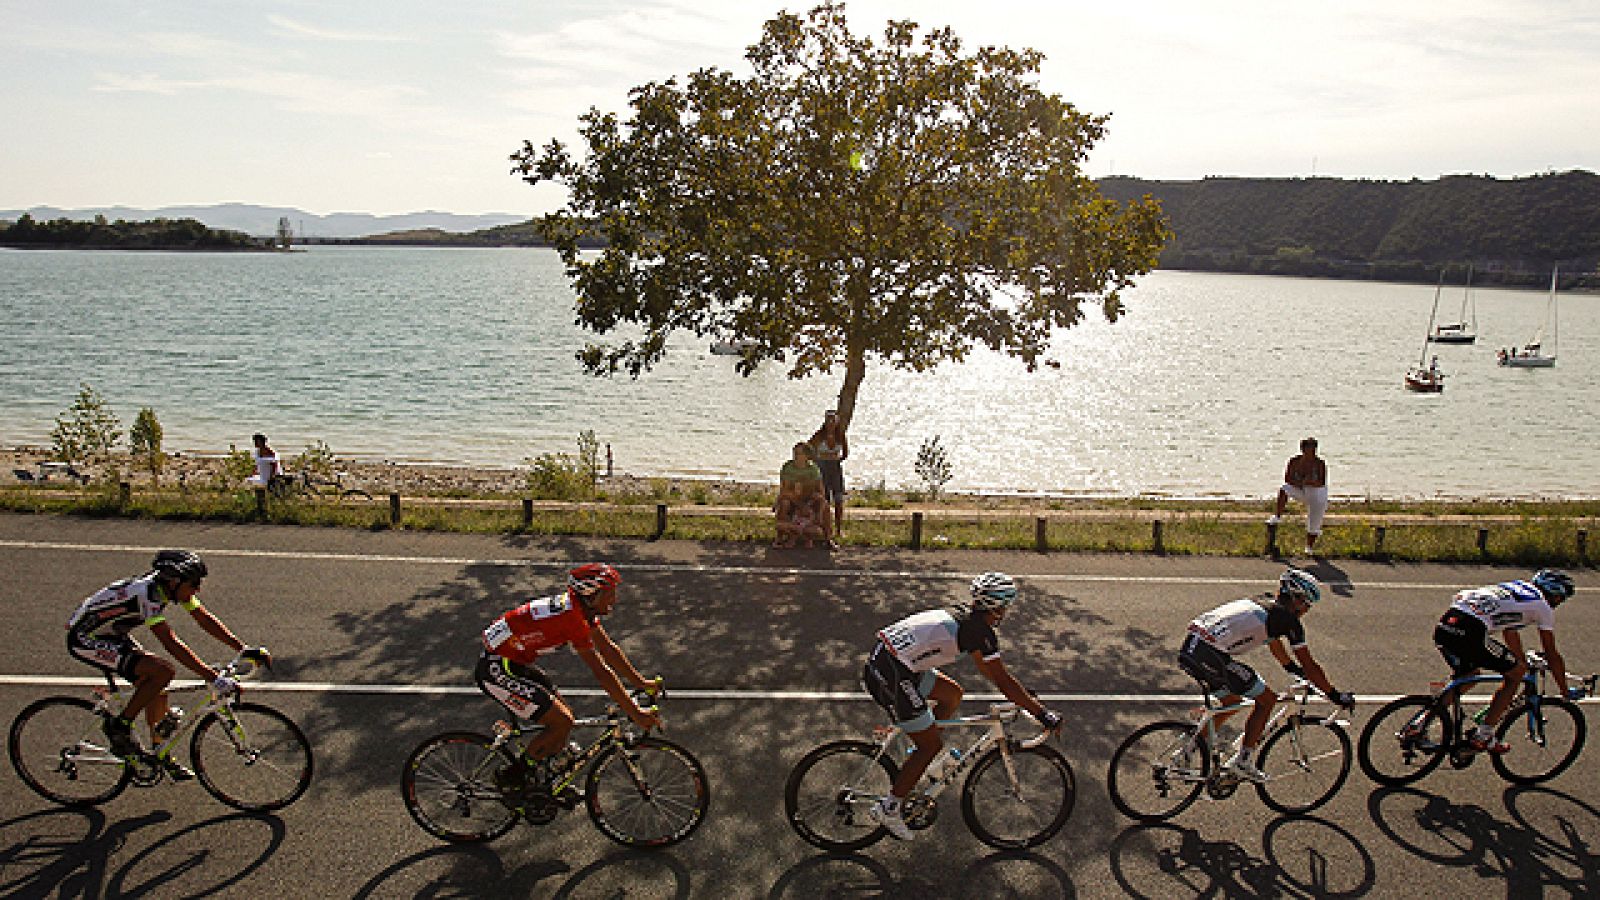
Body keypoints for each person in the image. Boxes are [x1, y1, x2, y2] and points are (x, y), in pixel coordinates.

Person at [861, 572, 1063, 840]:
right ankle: (889, 807)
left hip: (893, 662)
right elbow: (1002, 680)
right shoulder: (980, 632)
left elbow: (989, 671)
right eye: (1005, 606)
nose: (1006, 611)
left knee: (952, 695)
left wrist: (1022, 696)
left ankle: (917, 757)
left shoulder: (965, 615)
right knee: (930, 745)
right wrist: (1041, 712)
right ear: (996, 607)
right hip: (892, 675)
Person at [66, 549, 269, 776]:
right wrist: (212, 677)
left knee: (156, 688)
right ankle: (119, 726)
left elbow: (203, 618)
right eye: (193, 584)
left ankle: (157, 753)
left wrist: (242, 648)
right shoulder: (146, 594)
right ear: (173, 581)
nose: (197, 589)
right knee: (163, 672)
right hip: (86, 639)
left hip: (112, 634)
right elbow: (170, 642)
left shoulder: (166, 588)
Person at [476, 563, 662, 806]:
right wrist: (635, 713)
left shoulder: (581, 610)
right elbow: (601, 671)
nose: (614, 600)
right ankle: (511, 778)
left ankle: (541, 781)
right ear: (591, 594)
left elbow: (607, 649)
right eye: (610, 593)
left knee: (565, 722)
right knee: (560, 721)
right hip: (497, 668)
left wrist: (642, 682)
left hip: (515, 662)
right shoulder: (572, 618)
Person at [1177, 567, 1352, 783]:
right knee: (1267, 700)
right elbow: (1310, 665)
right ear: (1296, 598)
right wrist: (1335, 695)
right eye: (1306, 603)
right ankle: (1244, 760)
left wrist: (1290, 668)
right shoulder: (1288, 621)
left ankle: (1187, 752)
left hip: (1191, 648)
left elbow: (1274, 643)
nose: (1307, 609)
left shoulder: (1264, 603)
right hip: (1211, 656)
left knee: (1231, 701)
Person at [1433, 569, 1580, 755]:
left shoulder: (1516, 588)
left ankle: (1420, 723)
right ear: (1552, 593)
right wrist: (1564, 690)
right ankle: (1484, 735)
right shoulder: (1542, 606)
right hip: (1471, 631)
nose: (1559, 604)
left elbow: (1509, 631)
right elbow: (1552, 653)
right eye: (1560, 599)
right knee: (1515, 675)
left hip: (1446, 624)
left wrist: (1519, 660)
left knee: (1469, 677)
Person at [1267, 437, 1329, 555]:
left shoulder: (1320, 463)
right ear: (1302, 450)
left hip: (1317, 493)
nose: (1311, 453)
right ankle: (1277, 516)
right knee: (1284, 489)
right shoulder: (1294, 461)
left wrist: (1310, 482)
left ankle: (1309, 547)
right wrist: (1300, 483)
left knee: (1314, 522)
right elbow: (1287, 478)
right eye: (1309, 450)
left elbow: (1321, 482)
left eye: (1314, 450)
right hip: (1300, 489)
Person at [776, 441, 835, 548]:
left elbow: (820, 489)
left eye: (799, 453)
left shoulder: (813, 469)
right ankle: (780, 538)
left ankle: (828, 538)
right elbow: (785, 490)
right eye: (794, 453)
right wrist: (799, 504)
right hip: (793, 497)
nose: (795, 456)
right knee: (784, 503)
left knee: (825, 506)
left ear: (807, 456)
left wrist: (818, 502)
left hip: (809, 497)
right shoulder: (788, 467)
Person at [809, 410, 849, 537]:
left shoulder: (841, 436)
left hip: (835, 468)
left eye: (833, 420)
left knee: (838, 499)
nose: (831, 423)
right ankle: (824, 527)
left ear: (837, 422)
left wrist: (836, 458)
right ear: (825, 421)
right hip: (822, 467)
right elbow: (807, 449)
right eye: (828, 420)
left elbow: (846, 453)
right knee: (824, 499)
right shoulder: (819, 435)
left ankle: (838, 529)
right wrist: (818, 458)